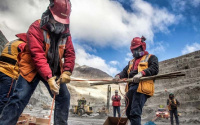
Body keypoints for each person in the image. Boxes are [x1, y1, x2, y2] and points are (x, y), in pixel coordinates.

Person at [0, 0, 75, 125]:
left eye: (62, 21)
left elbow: (70, 53)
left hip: (53, 69)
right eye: (57, 20)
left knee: (64, 97)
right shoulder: (36, 27)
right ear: (50, 12)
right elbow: (37, 56)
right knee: (19, 97)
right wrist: (49, 78)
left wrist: (67, 71)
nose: (59, 24)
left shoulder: (66, 33)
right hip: (32, 67)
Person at [113, 36, 159, 125]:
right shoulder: (131, 62)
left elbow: (154, 68)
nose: (135, 52)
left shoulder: (151, 57)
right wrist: (118, 76)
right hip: (131, 87)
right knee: (129, 112)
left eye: (136, 49)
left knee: (135, 113)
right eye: (133, 50)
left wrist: (142, 73)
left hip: (141, 87)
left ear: (142, 47)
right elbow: (124, 72)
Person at [0, 34, 26, 114]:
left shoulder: (11, 43)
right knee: (5, 99)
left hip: (1, 69)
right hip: (9, 73)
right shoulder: (23, 45)